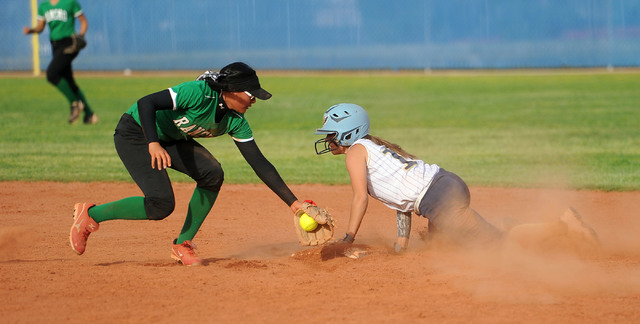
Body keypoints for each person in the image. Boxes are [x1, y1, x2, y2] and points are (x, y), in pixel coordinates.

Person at [70, 62, 313, 266]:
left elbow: (259, 162)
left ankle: (182, 244)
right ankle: (91, 215)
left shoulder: (235, 121)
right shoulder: (198, 92)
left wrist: (293, 203)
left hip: (172, 139)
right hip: (137, 133)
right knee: (160, 205)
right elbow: (147, 103)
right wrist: (153, 143)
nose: (254, 100)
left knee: (212, 173)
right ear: (233, 90)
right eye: (251, 94)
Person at [313, 103, 599, 253]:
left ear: (348, 132)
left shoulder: (355, 153)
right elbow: (404, 203)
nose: (328, 140)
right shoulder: (372, 148)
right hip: (445, 185)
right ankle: (526, 230)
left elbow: (360, 197)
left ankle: (561, 227)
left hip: (439, 199)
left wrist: (348, 238)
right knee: (445, 248)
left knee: (498, 247)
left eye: (330, 134)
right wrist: (402, 244)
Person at [23, 0, 98, 124]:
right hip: (55, 46)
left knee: (52, 74)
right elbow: (41, 27)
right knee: (68, 81)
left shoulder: (69, 2)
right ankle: (90, 115)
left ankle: (75, 104)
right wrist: (31, 30)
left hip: (70, 44)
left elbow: (83, 22)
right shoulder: (44, 6)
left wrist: (81, 35)